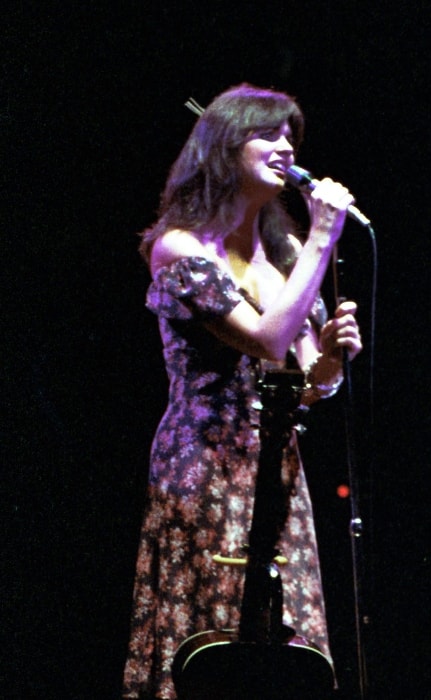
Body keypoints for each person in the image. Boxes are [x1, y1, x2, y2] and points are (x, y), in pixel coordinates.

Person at [122, 83, 363, 699]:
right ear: (226, 147)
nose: (287, 146)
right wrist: (322, 237)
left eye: (293, 136)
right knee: (211, 635)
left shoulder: (280, 254)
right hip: (204, 467)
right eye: (270, 133)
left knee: (281, 644)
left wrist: (331, 362)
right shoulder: (181, 248)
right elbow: (265, 339)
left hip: (275, 471)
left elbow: (306, 382)